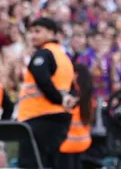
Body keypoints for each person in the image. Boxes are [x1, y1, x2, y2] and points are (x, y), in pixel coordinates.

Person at [17, 17, 77, 169]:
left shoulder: (43, 53)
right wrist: (65, 101)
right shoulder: (64, 57)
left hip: (38, 116)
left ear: (51, 33)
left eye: (37, 31)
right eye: (31, 32)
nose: (33, 36)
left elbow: (42, 79)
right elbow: (72, 88)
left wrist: (58, 99)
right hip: (60, 118)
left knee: (31, 163)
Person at [58, 64, 95, 169]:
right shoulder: (88, 97)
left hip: (68, 143)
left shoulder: (72, 94)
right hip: (83, 142)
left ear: (76, 75)